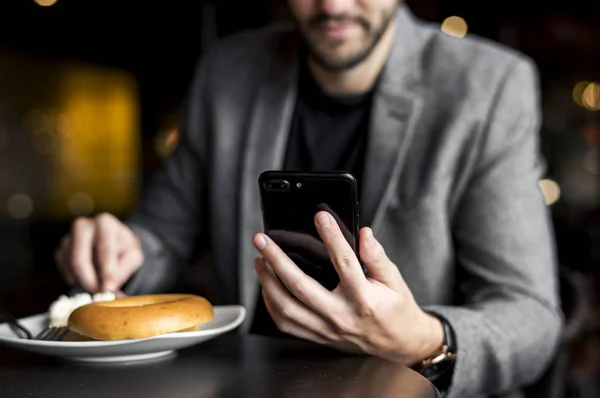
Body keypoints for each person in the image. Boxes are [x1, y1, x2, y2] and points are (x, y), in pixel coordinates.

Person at [54, 1, 563, 396]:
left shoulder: (489, 84)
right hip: (244, 387)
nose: (333, 8)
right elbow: (162, 237)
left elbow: (531, 318)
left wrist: (424, 340)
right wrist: (122, 250)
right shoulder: (227, 72)